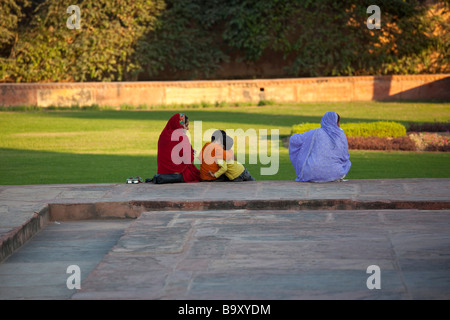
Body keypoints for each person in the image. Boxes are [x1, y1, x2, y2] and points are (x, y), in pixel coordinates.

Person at [289, 111, 351, 182]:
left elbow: (294, 140)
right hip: (335, 173)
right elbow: (345, 156)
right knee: (347, 163)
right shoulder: (341, 135)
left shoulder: (316, 132)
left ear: (324, 120)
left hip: (310, 172)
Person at [154, 113, 200, 183]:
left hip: (162, 172)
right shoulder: (182, 137)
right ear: (180, 125)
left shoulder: (163, 135)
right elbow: (189, 159)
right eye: (186, 125)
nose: (187, 128)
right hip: (176, 173)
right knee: (195, 173)